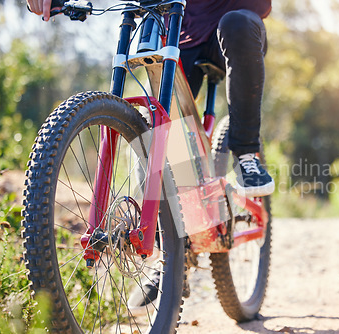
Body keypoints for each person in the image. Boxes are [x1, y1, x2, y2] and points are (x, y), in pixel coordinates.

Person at [27, 0, 274, 311]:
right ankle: (172, 248)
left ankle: (247, 151)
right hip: (176, 32)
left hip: (227, 29)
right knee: (156, 126)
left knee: (238, 23)